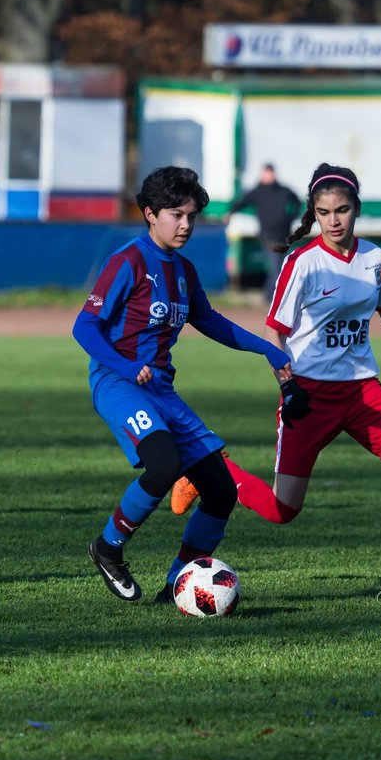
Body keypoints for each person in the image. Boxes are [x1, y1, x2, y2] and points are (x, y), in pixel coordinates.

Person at [171, 163, 381, 598]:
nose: (333, 220)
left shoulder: (375, 259)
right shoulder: (301, 263)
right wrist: (287, 385)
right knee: (284, 510)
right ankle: (213, 471)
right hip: (308, 394)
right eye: (323, 212)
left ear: (357, 208)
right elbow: (273, 332)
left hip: (362, 391)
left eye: (341, 210)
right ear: (314, 214)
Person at [74, 165, 311, 604]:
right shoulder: (127, 261)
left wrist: (270, 351)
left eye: (191, 217)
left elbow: (210, 321)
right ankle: (107, 548)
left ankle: (177, 584)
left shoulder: (182, 268)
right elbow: (84, 328)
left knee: (220, 491)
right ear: (150, 214)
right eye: (176, 215)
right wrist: (125, 367)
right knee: (163, 465)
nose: (185, 225)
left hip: (160, 389)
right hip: (117, 381)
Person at [227, 163, 302, 303]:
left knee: (279, 266)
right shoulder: (257, 191)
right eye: (267, 173)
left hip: (283, 235)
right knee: (276, 266)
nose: (269, 175)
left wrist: (291, 218)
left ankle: (268, 294)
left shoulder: (283, 190)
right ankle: (272, 297)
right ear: (262, 174)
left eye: (271, 172)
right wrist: (230, 213)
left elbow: (297, 201)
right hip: (267, 236)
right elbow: (241, 203)